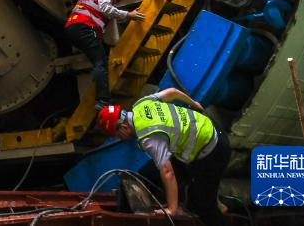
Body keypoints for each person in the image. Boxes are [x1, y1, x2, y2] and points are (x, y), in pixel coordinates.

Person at [97, 89, 231, 225]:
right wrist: (194, 104)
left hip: (213, 151)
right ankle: (211, 199)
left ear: (124, 127)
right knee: (146, 176)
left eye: (118, 135)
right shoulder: (141, 104)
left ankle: (211, 205)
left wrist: (171, 209)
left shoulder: (148, 136)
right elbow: (172, 92)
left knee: (202, 209)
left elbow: (167, 172)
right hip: (207, 129)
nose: (121, 138)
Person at [64, 0, 145, 107]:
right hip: (86, 28)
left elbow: (103, 2)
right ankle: (103, 100)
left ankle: (101, 87)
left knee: (104, 52)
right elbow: (106, 8)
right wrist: (128, 15)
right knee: (100, 62)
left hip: (74, 29)